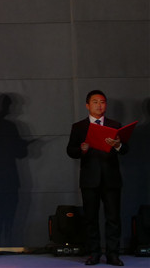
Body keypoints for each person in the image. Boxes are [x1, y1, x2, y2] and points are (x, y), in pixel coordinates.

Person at [67, 90, 129, 266]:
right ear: (87, 105)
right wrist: (81, 150)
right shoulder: (79, 127)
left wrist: (118, 145)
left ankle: (113, 254)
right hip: (89, 179)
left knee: (113, 219)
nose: (99, 105)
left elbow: (125, 150)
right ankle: (94, 254)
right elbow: (70, 150)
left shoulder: (115, 125)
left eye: (102, 102)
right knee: (91, 219)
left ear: (105, 105)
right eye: (95, 102)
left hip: (111, 179)